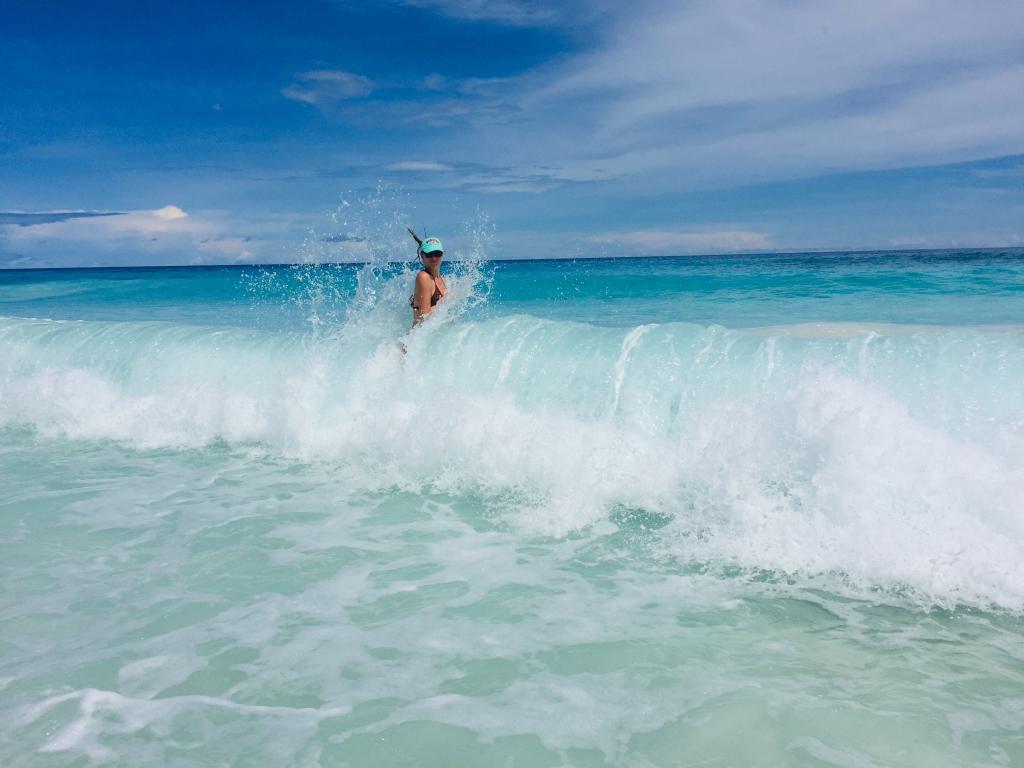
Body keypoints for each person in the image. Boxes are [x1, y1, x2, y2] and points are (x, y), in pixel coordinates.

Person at [407, 228, 447, 325]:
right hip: (417, 339)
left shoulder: (442, 279)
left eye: (437, 253)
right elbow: (424, 316)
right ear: (422, 255)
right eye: (429, 254)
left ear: (443, 254)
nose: (434, 257)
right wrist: (448, 301)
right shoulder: (424, 277)